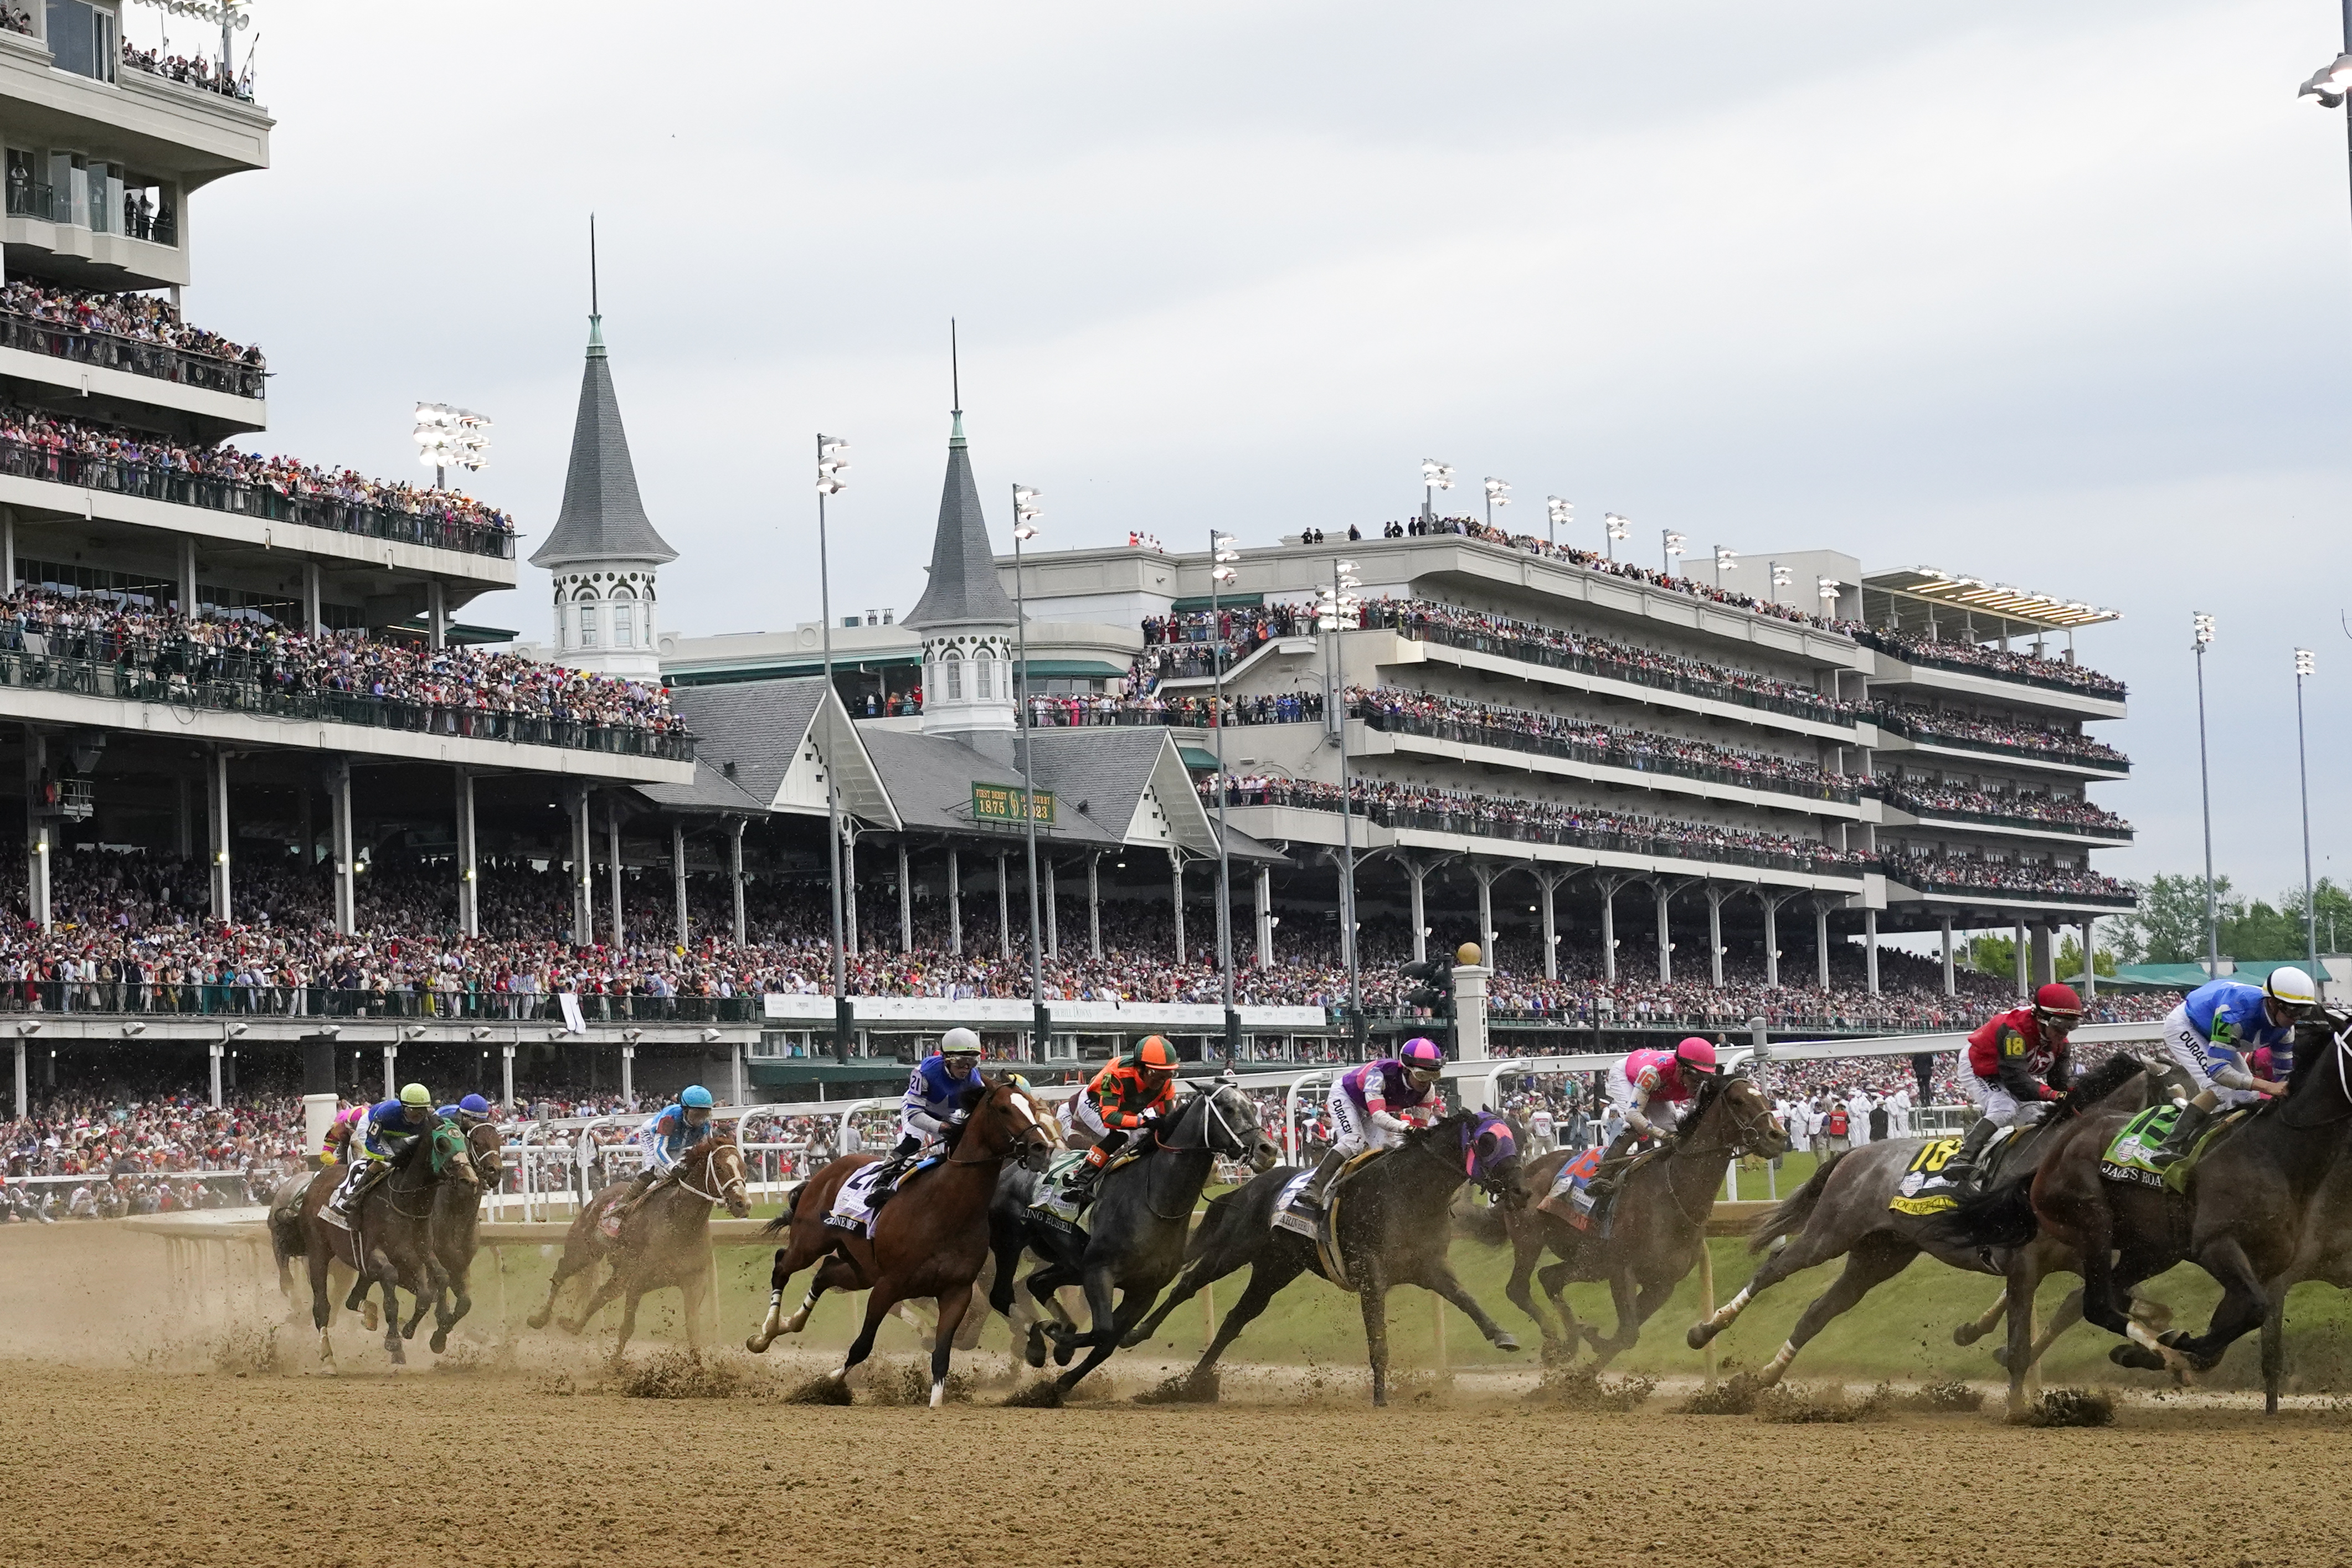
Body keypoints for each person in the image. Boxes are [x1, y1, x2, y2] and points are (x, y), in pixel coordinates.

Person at [2144, 968, 2317, 1170]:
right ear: (2272, 1002)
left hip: (2216, 1029)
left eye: (2304, 1011)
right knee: (2223, 1088)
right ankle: (2168, 1145)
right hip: (2186, 1025)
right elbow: (2219, 1072)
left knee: (2248, 1098)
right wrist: (2268, 1088)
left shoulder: (2286, 1030)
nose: (2297, 1017)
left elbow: (2284, 1078)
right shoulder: (2235, 1015)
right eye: (2293, 1010)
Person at [1279, 1036, 1447, 1231]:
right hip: (1347, 1097)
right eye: (1423, 1076)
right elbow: (1378, 1117)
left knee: (1382, 1154)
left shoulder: (1428, 1092)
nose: (1427, 1084)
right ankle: (1313, 1188)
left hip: (1372, 1109)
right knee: (1354, 1142)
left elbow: (1419, 1129)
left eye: (1433, 1077)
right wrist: (1405, 1128)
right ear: (1407, 1069)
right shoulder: (1381, 1074)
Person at [1064, 1035, 1182, 1204]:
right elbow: (1109, 1117)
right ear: (1140, 1068)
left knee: (1147, 1136)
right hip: (1095, 1101)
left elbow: (1169, 1121)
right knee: (1122, 1134)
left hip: (1125, 1106)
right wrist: (1143, 1122)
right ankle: (1080, 1182)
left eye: (1168, 1074)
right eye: (1156, 1074)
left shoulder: (1167, 1085)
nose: (1162, 1080)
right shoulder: (1113, 1076)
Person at [874, 1029, 986, 1190]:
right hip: (919, 1109)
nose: (966, 1068)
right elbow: (914, 1115)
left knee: (956, 1148)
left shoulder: (974, 1079)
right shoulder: (925, 1072)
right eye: (961, 1062)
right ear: (947, 1059)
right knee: (913, 1143)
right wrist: (941, 1127)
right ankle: (882, 1180)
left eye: (972, 1062)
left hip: (947, 1113)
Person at [325, 1082, 434, 1224]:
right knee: (385, 1164)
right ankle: (353, 1196)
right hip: (371, 1129)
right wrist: (386, 1157)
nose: (419, 1117)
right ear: (404, 1108)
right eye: (414, 1112)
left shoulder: (429, 1119)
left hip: (398, 1134)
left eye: (423, 1111)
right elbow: (371, 1145)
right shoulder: (387, 1114)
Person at [617, 1085, 716, 1219]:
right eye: (696, 1114)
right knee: (653, 1170)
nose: (700, 1120)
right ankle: (621, 1206)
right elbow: (659, 1150)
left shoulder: (705, 1125)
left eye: (704, 1115)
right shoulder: (670, 1118)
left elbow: (706, 1150)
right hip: (652, 1137)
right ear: (685, 1110)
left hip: (676, 1144)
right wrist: (672, 1167)